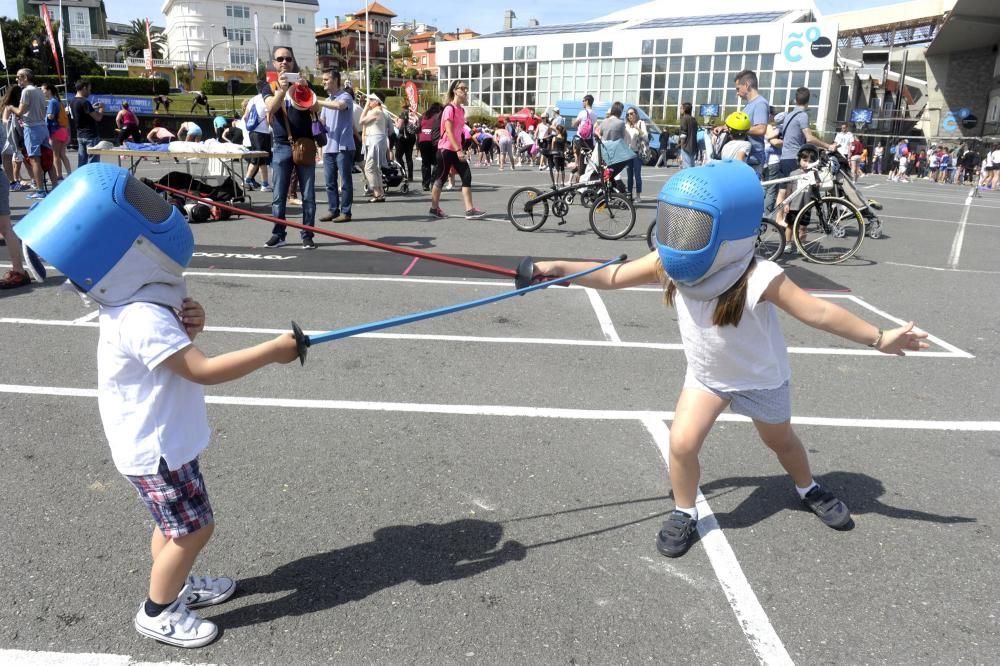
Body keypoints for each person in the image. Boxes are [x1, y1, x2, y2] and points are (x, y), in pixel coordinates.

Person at [530, 160, 929, 558]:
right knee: (682, 444)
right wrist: (554, 269)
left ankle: (808, 487)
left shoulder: (760, 275)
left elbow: (819, 313)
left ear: (730, 229)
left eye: (694, 224)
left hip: (762, 380)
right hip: (707, 379)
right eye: (678, 221)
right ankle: (684, 511)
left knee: (781, 442)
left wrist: (879, 338)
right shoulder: (669, 261)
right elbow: (612, 277)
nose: (681, 233)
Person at [13, 163, 300, 647]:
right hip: (157, 448)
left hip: (156, 440)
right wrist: (274, 352)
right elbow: (202, 370)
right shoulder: (141, 314)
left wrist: (191, 324)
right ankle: (158, 609)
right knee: (195, 529)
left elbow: (170, 349)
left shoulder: (132, 300)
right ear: (129, 248)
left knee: (172, 528)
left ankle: (176, 584)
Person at [261, 46, 318, 250]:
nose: (284, 62)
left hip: (304, 143)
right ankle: (279, 234)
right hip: (281, 144)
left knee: (308, 195)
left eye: (288, 58)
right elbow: (271, 107)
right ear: (274, 63)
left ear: (293, 62)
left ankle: (308, 235)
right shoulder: (268, 85)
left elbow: (316, 108)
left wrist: (305, 90)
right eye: (280, 59)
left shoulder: (304, 83)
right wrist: (283, 90)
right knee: (278, 194)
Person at [428, 80, 486, 220]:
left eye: (466, 89)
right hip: (446, 149)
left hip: (456, 148)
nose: (465, 91)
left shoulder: (461, 110)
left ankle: (469, 209)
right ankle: (434, 209)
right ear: (455, 90)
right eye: (462, 88)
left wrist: (460, 148)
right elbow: (448, 131)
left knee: (466, 176)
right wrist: (458, 150)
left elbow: (459, 132)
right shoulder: (449, 108)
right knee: (441, 178)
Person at [9, 68, 57, 198]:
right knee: (47, 159)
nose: (17, 79)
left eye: (18, 76)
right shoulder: (39, 91)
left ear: (25, 77)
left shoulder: (26, 91)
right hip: (43, 127)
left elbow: (20, 111)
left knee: (34, 159)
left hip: (31, 128)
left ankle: (40, 190)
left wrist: (10, 107)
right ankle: (56, 187)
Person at [317, 69, 355, 223]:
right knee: (329, 182)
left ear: (335, 80)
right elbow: (322, 122)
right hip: (328, 147)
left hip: (343, 146)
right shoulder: (327, 101)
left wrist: (317, 101)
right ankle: (333, 210)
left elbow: (339, 106)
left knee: (345, 181)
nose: (323, 82)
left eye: (326, 79)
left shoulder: (345, 96)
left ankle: (346, 212)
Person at [732, 70, 770, 174]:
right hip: (747, 158)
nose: (737, 93)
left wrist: (738, 129)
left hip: (754, 160)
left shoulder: (760, 104)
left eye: (738, 88)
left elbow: (761, 129)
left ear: (747, 85)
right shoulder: (749, 105)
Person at [360, 94, 388, 203]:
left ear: (377, 101)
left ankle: (377, 192)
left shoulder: (376, 111)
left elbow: (361, 121)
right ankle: (380, 193)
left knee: (369, 168)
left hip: (376, 140)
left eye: (371, 99)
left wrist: (366, 108)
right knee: (375, 168)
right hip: (377, 139)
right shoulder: (380, 111)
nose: (369, 101)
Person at [69, 79, 104, 167]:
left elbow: (82, 112)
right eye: (89, 89)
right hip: (90, 136)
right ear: (84, 88)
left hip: (80, 135)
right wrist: (102, 108)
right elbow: (98, 118)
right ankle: (91, 180)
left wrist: (92, 107)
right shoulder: (85, 102)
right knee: (92, 163)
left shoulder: (72, 101)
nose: (90, 92)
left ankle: (80, 179)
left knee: (82, 162)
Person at [242, 93, 272, 191]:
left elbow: (245, 117)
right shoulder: (267, 99)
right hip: (263, 132)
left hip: (252, 132)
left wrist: (249, 128)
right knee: (260, 158)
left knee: (259, 158)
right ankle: (250, 180)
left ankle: (262, 183)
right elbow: (269, 118)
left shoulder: (252, 99)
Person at [42, 84, 71, 183]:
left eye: (43, 90)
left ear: (49, 90)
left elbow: (50, 116)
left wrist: (45, 114)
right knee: (62, 154)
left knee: (55, 155)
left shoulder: (52, 102)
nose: (42, 92)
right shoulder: (58, 101)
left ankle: (58, 176)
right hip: (63, 131)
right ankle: (69, 173)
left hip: (55, 130)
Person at [624, 106, 648, 202]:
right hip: (628, 152)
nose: (630, 116)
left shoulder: (641, 123)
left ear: (636, 114)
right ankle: (629, 195)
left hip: (637, 152)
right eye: (628, 114)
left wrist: (637, 128)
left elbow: (645, 136)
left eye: (631, 113)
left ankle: (638, 196)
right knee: (629, 175)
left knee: (637, 174)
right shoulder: (626, 125)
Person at [418, 102, 442, 190]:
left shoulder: (423, 116)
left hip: (423, 140)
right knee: (436, 163)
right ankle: (433, 183)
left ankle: (425, 184)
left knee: (425, 163)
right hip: (434, 141)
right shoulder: (438, 116)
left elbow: (418, 128)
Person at [679, 102, 698, 169]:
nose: (680, 109)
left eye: (681, 108)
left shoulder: (684, 118)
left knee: (686, 166)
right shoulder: (693, 119)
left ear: (685, 109)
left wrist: (682, 145)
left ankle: (687, 179)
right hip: (693, 146)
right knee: (692, 165)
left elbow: (683, 133)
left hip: (686, 146)